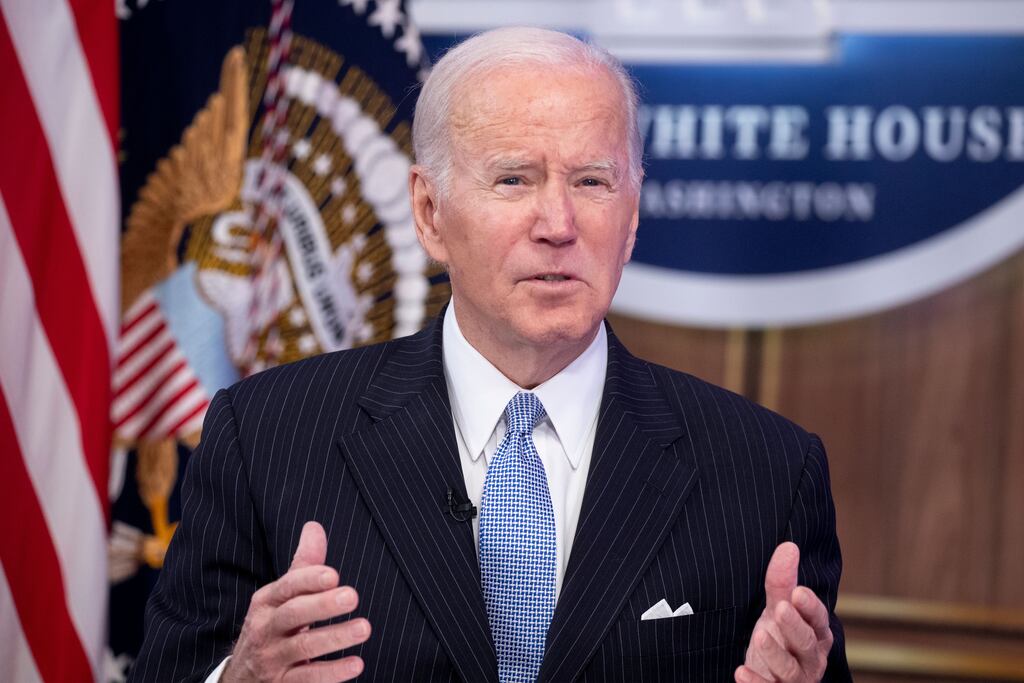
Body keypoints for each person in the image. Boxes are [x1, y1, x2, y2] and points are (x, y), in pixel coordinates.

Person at [132, 27, 851, 683]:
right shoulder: (266, 436)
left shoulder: (769, 472)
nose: (558, 224)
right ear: (429, 212)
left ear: (631, 218)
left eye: (592, 181)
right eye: (514, 178)